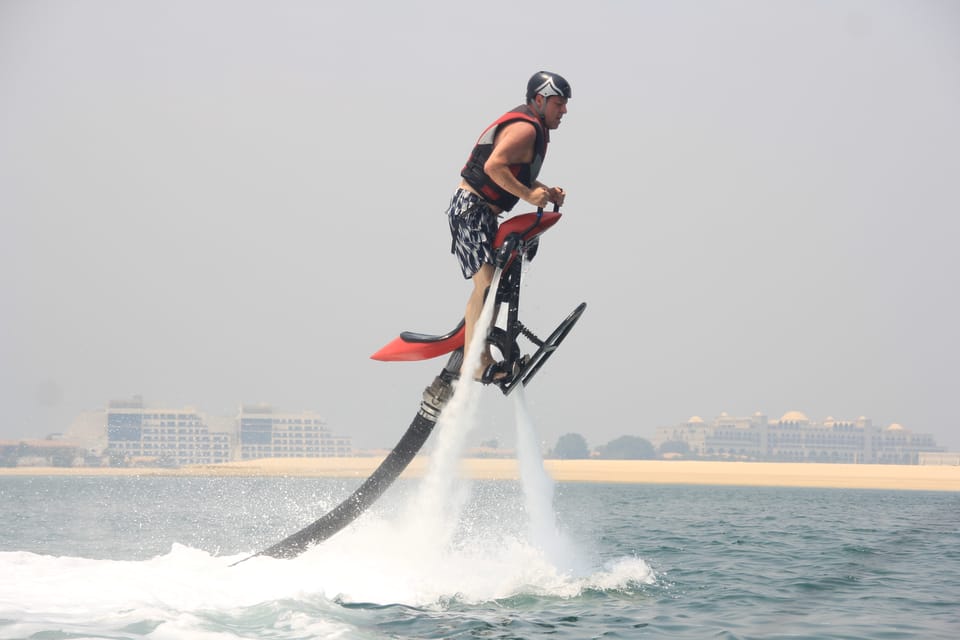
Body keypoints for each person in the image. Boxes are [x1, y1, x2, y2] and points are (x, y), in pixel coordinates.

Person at [446, 71, 571, 382]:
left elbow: (515, 173)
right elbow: (493, 166)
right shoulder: (525, 130)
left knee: (495, 286)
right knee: (486, 286)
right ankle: (476, 360)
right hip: (471, 210)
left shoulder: (533, 129)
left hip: (483, 213)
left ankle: (484, 349)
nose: (564, 111)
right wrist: (529, 195)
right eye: (559, 104)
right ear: (539, 100)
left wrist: (544, 190)